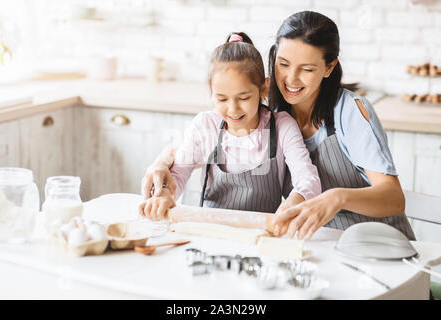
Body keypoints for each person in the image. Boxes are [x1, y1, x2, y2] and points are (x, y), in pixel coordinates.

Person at [141, 12, 416, 241]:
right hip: (320, 244)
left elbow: (393, 197)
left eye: (307, 69)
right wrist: (163, 164)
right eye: (283, 64)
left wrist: (337, 198)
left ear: (329, 67)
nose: (291, 79)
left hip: (378, 244)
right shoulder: (268, 108)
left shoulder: (348, 112)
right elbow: (207, 143)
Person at [139, 32, 321, 221]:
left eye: (243, 98)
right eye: (222, 99)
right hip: (210, 229)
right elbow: (177, 175)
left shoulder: (282, 126)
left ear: (264, 88)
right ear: (211, 92)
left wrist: (293, 204)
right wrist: (164, 195)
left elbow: (308, 179)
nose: (233, 109)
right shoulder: (205, 125)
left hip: (262, 234)